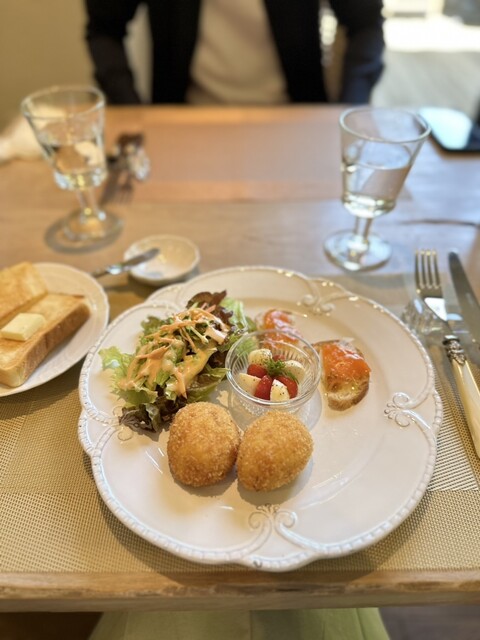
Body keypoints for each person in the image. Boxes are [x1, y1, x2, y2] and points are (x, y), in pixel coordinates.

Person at [83, 0, 385, 106]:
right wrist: (132, 110)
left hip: (295, 119)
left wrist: (349, 108)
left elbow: (366, 22)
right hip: (185, 120)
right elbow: (104, 27)